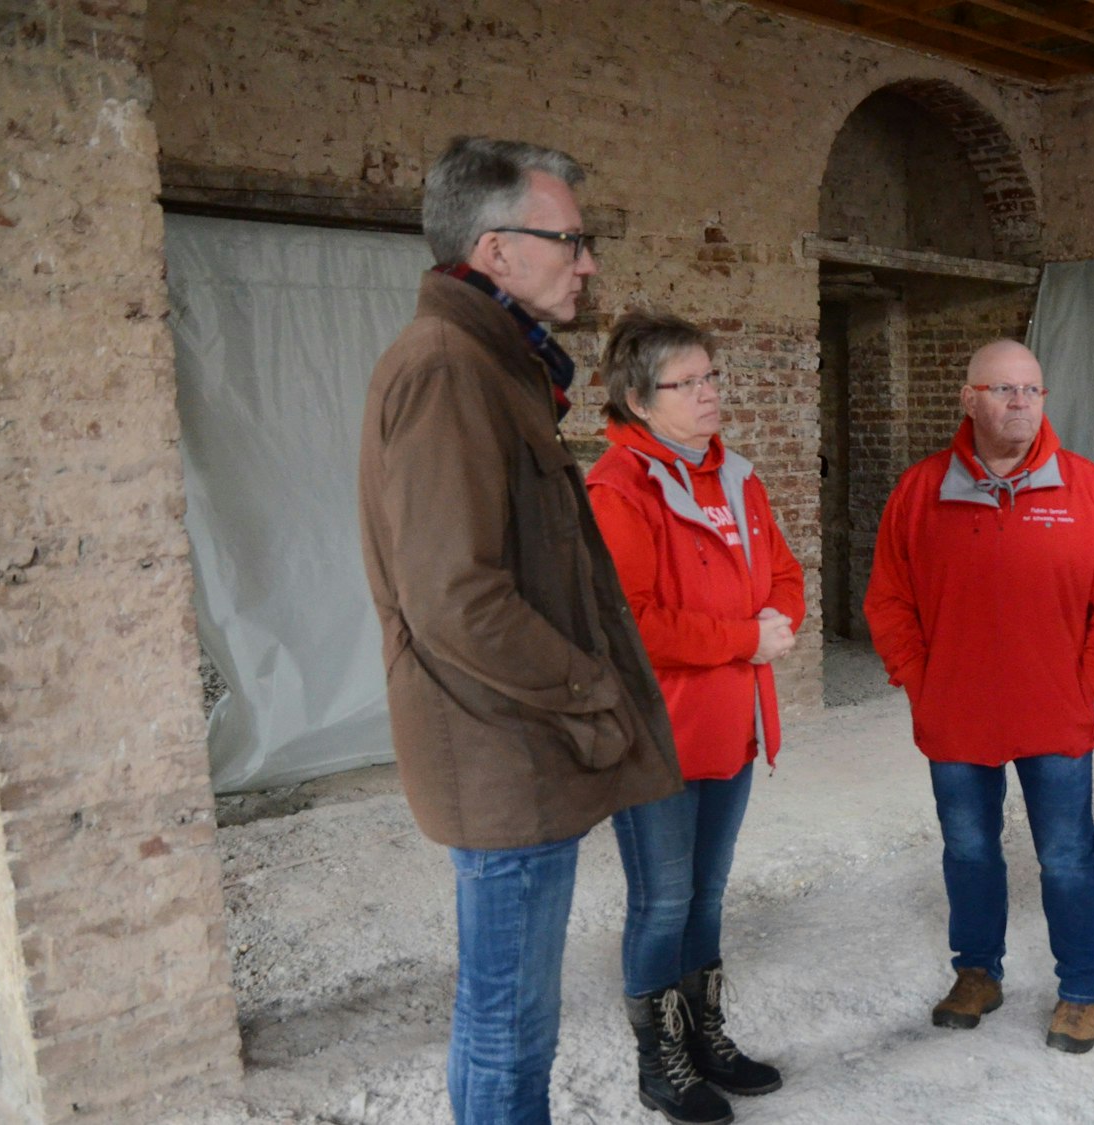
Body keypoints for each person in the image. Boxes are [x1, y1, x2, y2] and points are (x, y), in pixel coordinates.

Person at [357, 136, 683, 1125]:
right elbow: (456, 597)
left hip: (517, 747)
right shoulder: (449, 368)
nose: (587, 262)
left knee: (512, 1016)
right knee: (506, 1023)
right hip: (503, 753)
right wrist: (594, 693)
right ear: (496, 251)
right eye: (570, 240)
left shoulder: (493, 365)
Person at [864, 339, 1094, 1054]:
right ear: (970, 399)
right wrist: (920, 683)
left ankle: (1080, 989)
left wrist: (1089, 686)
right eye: (1004, 389)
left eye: (1032, 391)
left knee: (1067, 856)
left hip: (1055, 713)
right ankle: (977, 972)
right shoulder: (920, 492)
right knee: (969, 849)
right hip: (956, 713)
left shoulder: (1085, 490)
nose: (1021, 403)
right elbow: (889, 599)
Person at [585, 310, 805, 1125]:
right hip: (657, 739)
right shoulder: (617, 489)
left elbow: (784, 571)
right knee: (662, 901)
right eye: (690, 382)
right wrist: (746, 637)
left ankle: (705, 1035)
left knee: (707, 893)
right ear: (640, 401)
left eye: (713, 376)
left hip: (733, 728)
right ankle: (661, 1061)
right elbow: (628, 623)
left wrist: (776, 619)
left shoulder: (739, 476)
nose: (711, 393)